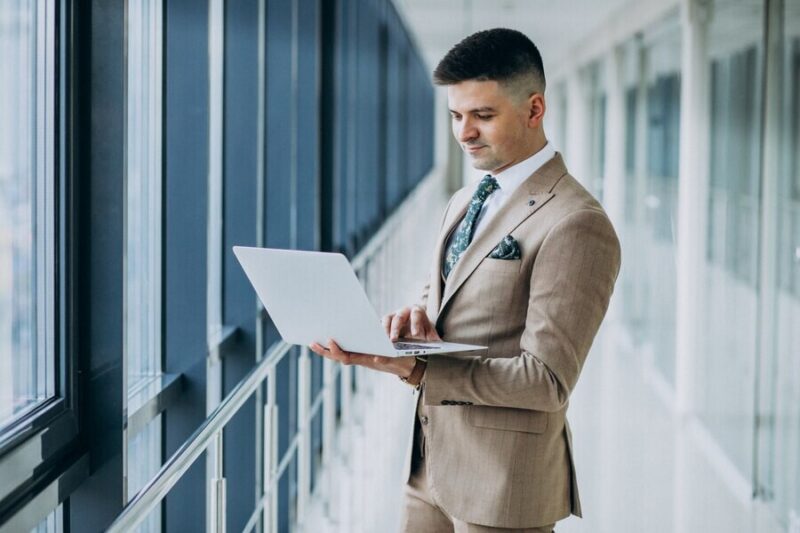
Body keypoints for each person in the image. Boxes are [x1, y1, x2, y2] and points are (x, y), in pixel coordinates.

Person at [309, 28, 621, 533]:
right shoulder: (463, 199)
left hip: (503, 488)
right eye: (456, 115)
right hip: (429, 467)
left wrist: (417, 369)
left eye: (483, 115)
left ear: (534, 109)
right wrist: (417, 319)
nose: (464, 132)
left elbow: (546, 381)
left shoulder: (576, 222)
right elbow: (446, 299)